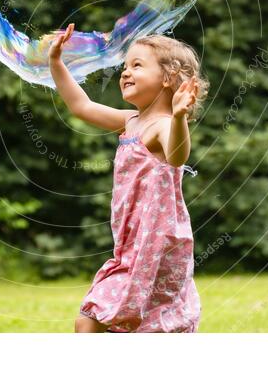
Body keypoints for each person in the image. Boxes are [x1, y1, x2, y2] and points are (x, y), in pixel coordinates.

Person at [48, 23, 209, 332]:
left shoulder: (161, 126)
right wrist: (56, 63)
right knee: (121, 324)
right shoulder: (130, 121)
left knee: (93, 321)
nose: (125, 72)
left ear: (168, 79)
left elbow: (177, 155)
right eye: (125, 66)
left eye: (137, 65)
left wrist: (178, 117)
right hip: (131, 246)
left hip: (159, 248)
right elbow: (81, 106)